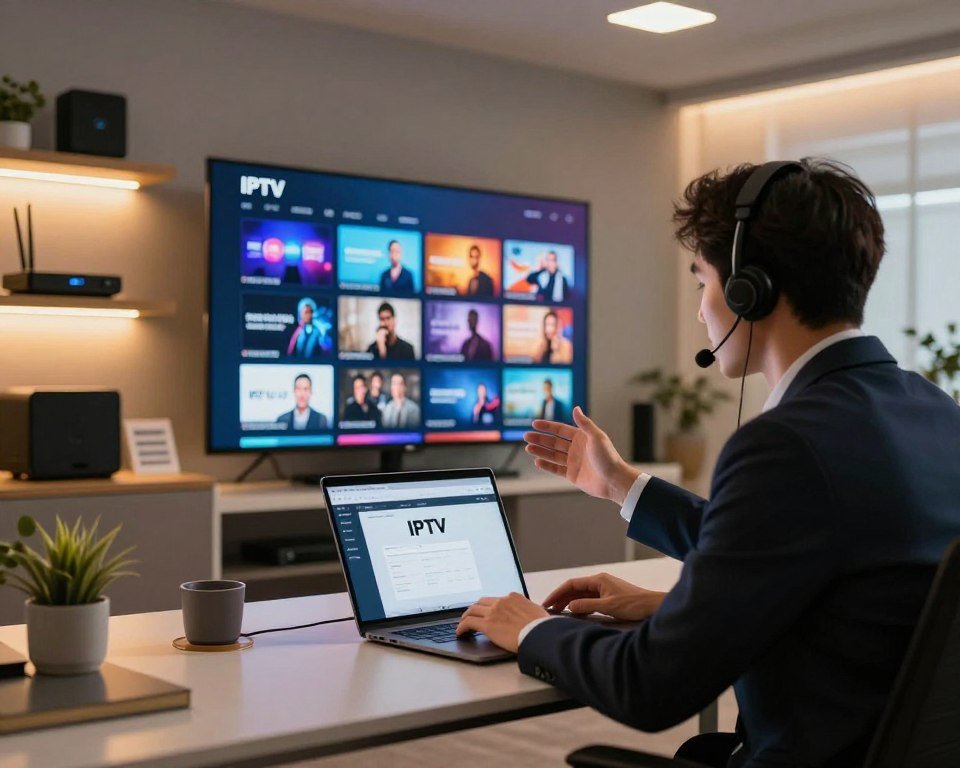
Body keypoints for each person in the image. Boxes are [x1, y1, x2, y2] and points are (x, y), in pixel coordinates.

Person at [454, 159, 960, 768]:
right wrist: (625, 491)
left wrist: (531, 628)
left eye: (702, 281)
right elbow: (827, 566)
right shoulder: (935, 411)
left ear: (752, 287)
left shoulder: (785, 444)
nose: (700, 309)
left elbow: (650, 685)